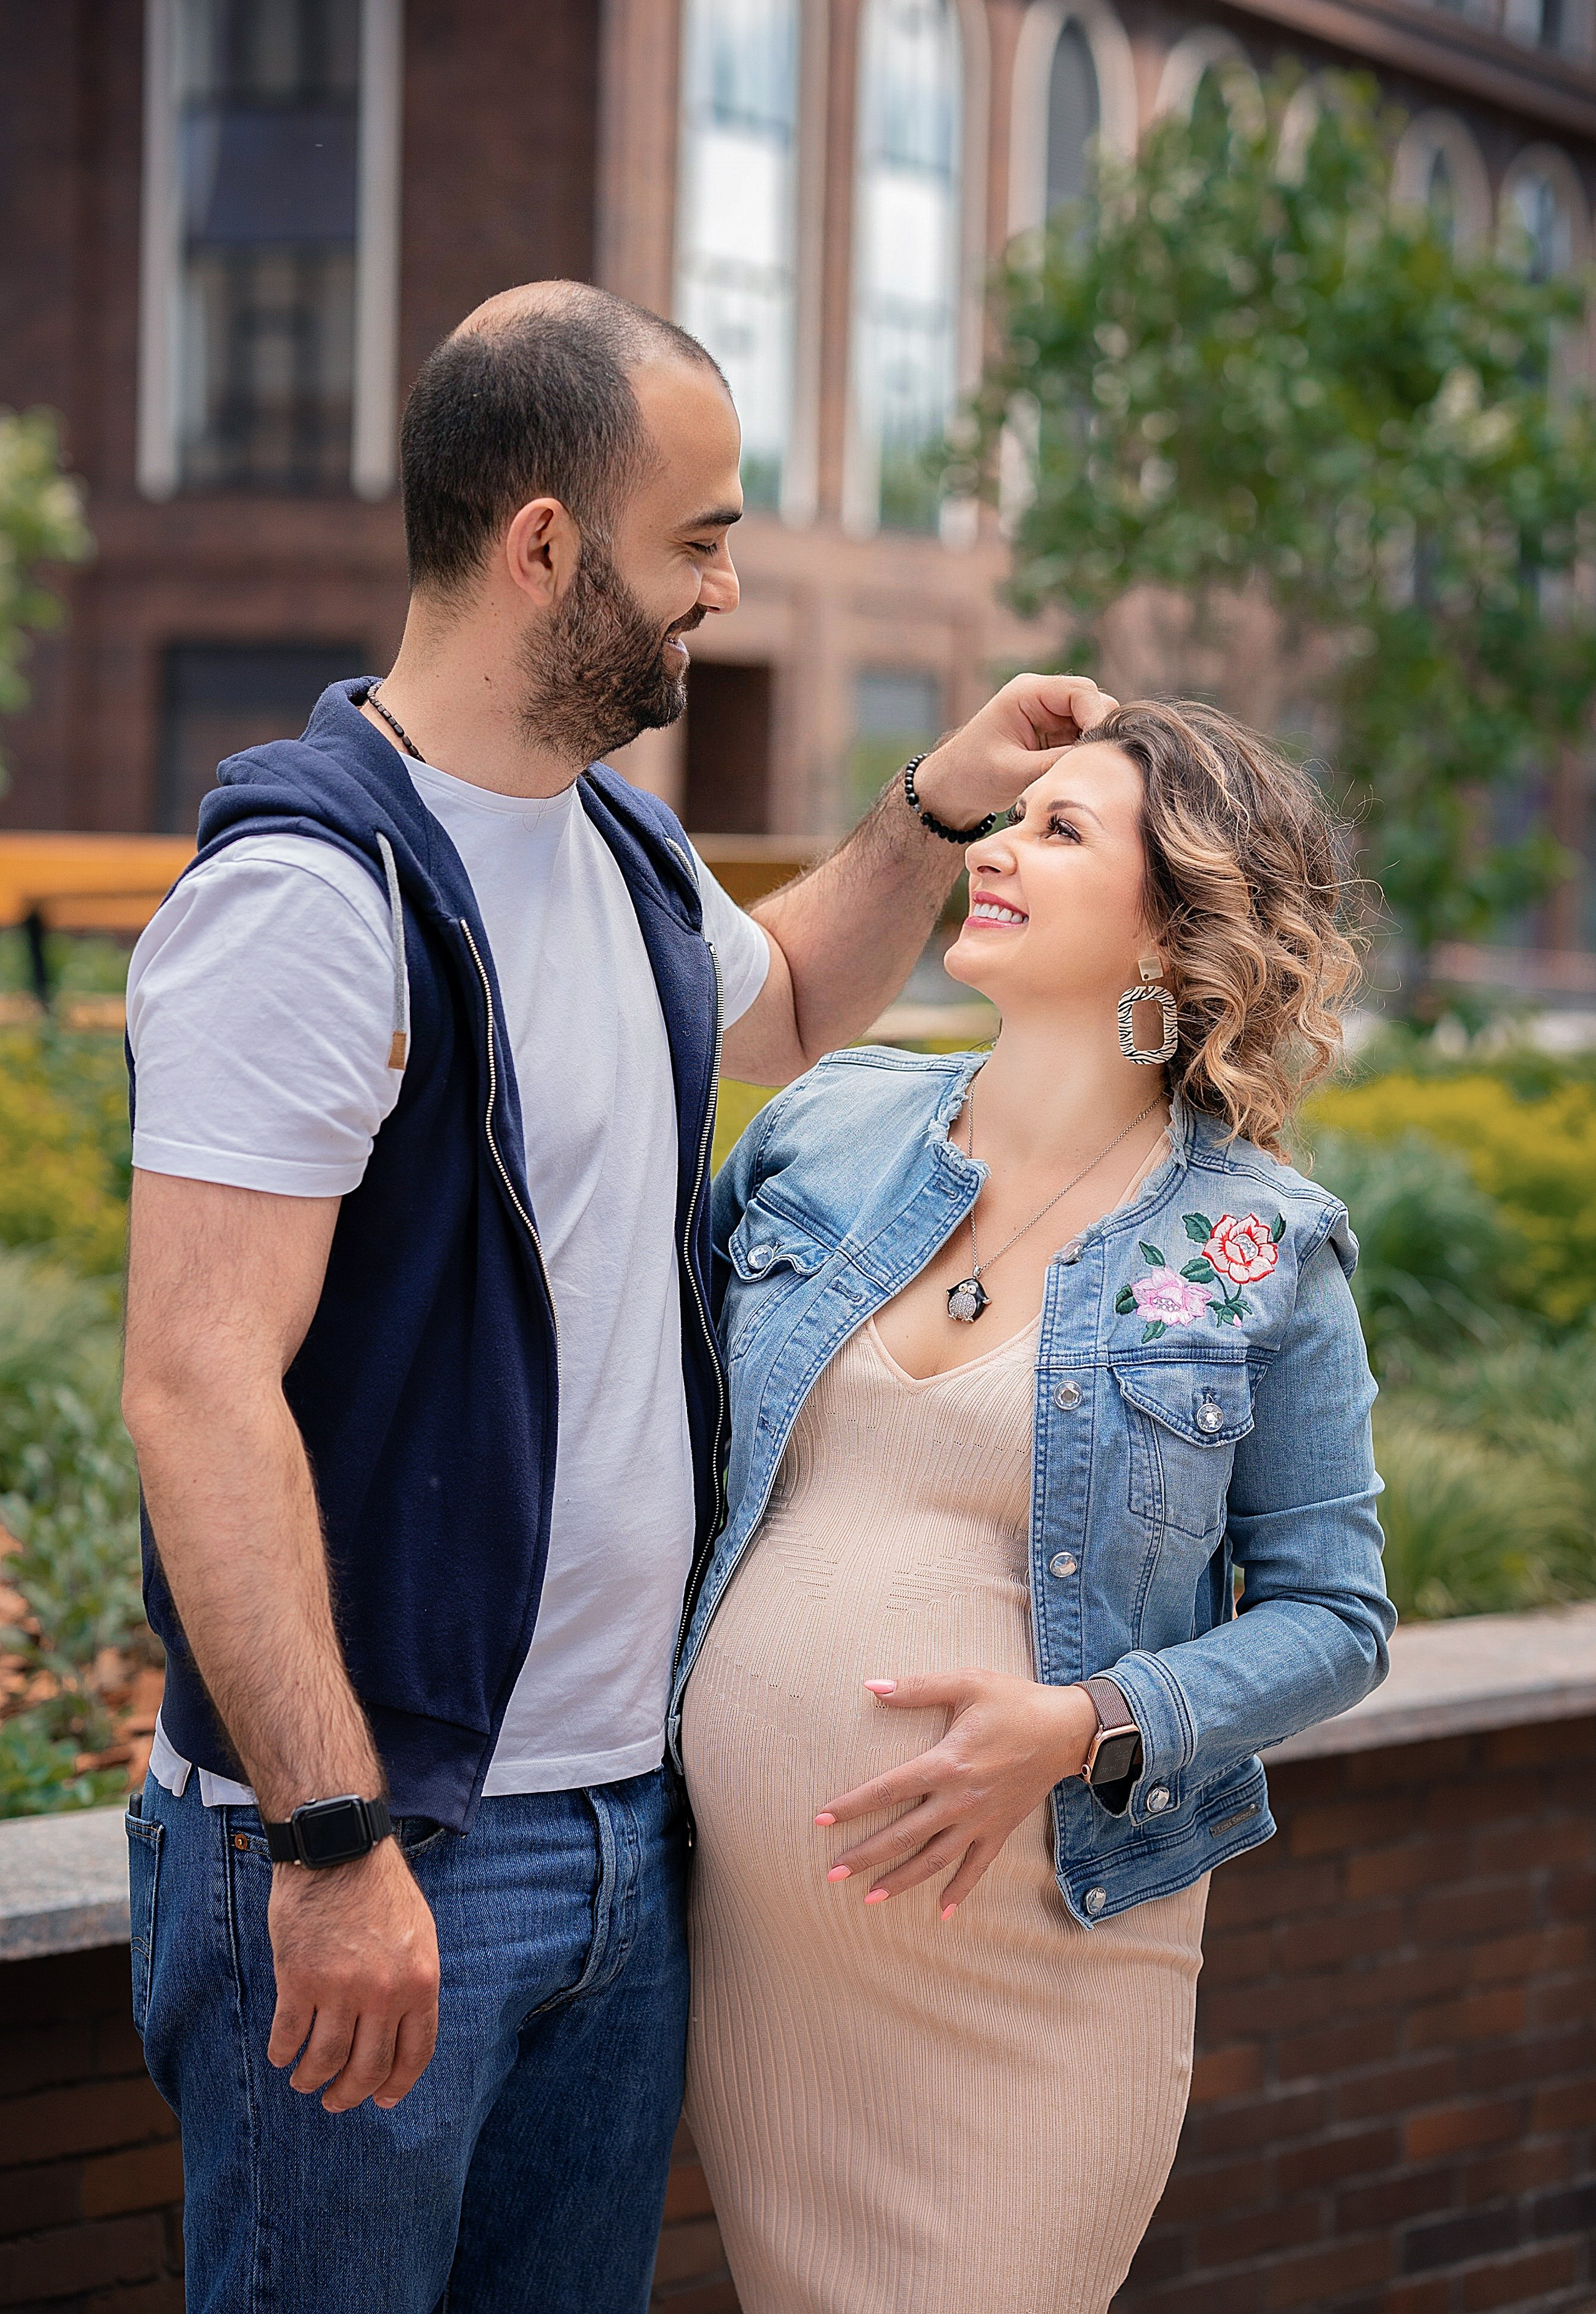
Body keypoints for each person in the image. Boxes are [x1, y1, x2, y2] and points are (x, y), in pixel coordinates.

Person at [117, 277, 1115, 2314]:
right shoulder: (313, 902)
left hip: (614, 1841)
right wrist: (325, 1843)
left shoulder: (622, 859)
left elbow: (799, 1002)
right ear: (546, 545)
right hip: (376, 1856)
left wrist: (937, 801)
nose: (726, 591)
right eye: (701, 540)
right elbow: (196, 1389)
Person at [676, 699, 1396, 2314]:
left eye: (1061, 830)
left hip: (1045, 1967)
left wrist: (1082, 1724)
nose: (997, 848)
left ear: (1179, 915)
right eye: (1010, 820)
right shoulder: (827, 1125)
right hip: (766, 1969)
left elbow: (1339, 1619)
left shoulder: (1260, 1247)